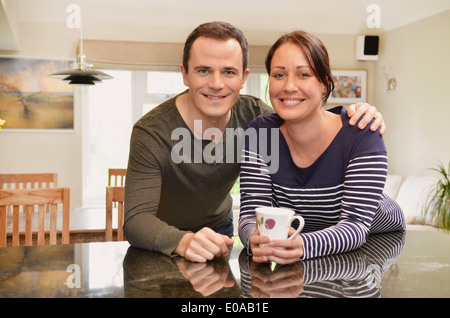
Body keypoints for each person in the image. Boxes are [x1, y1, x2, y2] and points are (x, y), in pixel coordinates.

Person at [124, 21, 386, 263]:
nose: (216, 84)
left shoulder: (256, 118)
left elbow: (303, 113)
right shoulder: (151, 132)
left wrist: (357, 115)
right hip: (163, 238)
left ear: (244, 78)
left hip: (220, 232)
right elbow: (136, 220)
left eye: (229, 72)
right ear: (185, 74)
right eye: (203, 70)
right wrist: (183, 240)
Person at [238, 30, 405, 264]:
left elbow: (356, 225)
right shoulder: (260, 133)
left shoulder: (361, 132)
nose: (289, 86)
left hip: (375, 243)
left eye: (304, 74)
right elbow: (249, 215)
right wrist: (252, 237)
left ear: (325, 85)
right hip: (308, 241)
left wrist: (303, 245)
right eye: (278, 75)